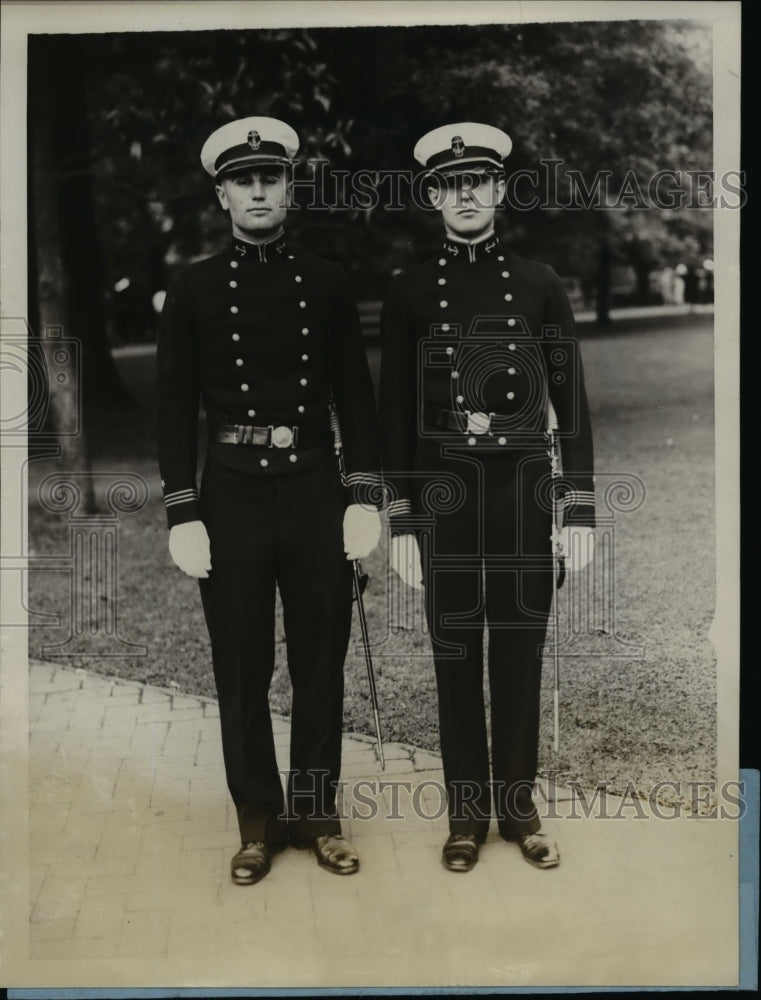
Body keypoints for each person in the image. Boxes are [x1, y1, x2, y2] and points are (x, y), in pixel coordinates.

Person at [157, 117, 381, 885]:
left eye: (270, 178)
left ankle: (317, 816)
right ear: (222, 194)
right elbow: (173, 405)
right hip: (232, 495)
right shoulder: (191, 287)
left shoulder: (325, 281)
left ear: (289, 188)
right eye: (243, 181)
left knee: (320, 662)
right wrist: (183, 510)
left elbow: (355, 394)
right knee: (241, 666)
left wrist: (363, 496)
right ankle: (256, 821)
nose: (258, 191)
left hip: (316, 486)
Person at [379, 123, 595, 872]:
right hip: (445, 494)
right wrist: (401, 521)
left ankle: (519, 809)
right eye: (451, 184)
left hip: (523, 489)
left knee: (520, 650)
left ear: (499, 189)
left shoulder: (539, 282)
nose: (465, 194)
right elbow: (394, 416)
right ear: (433, 195)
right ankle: (466, 815)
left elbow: (571, 403)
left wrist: (578, 508)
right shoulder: (409, 290)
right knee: (455, 654)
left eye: (477, 180)